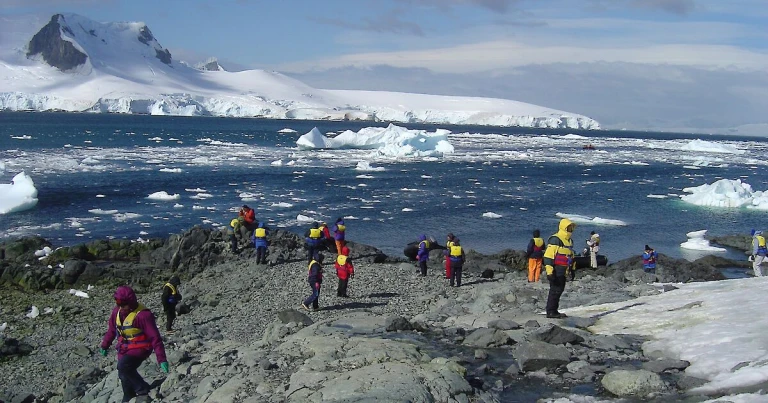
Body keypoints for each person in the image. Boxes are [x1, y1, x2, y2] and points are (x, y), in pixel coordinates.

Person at [100, 286, 169, 403]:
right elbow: (112, 330)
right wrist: (105, 345)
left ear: (131, 303)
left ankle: (142, 389)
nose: (121, 307)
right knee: (122, 373)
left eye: (123, 305)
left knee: (124, 366)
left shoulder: (143, 315)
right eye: (118, 304)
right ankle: (128, 395)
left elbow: (155, 337)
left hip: (141, 348)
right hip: (124, 347)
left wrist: (161, 359)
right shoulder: (116, 312)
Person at [543, 218, 576, 319]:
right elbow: (548, 256)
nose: (570, 229)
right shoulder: (556, 239)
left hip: (564, 269)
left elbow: (571, 256)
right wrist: (549, 272)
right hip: (557, 269)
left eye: (571, 227)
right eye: (568, 227)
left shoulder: (569, 241)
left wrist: (572, 269)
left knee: (559, 289)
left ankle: (554, 310)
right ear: (563, 227)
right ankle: (551, 311)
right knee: (555, 290)